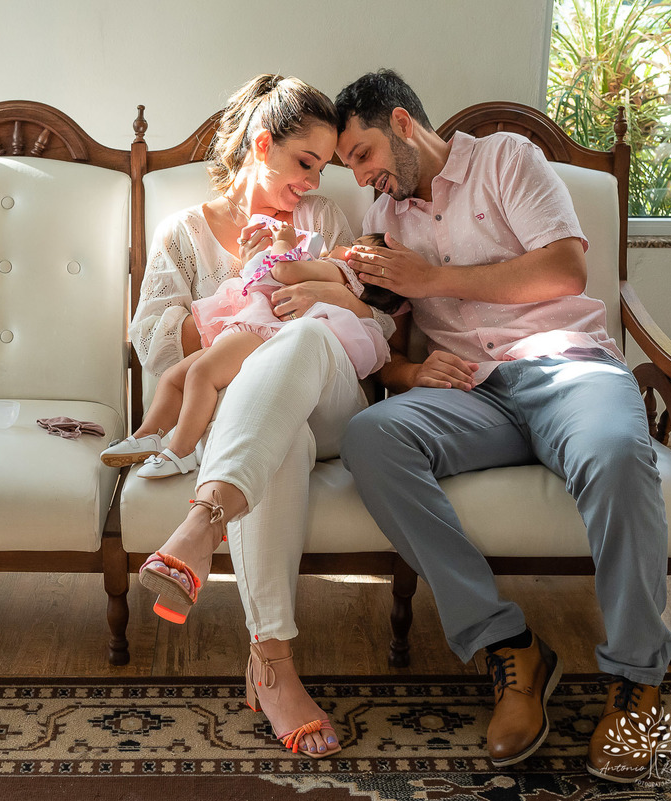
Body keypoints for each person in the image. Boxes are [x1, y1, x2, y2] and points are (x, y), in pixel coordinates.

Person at [335, 69, 671, 783]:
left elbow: (564, 270)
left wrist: (429, 281)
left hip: (566, 367)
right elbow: (380, 347)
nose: (363, 177)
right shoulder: (388, 223)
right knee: (371, 437)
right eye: (348, 167)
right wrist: (404, 369)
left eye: (362, 154)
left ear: (401, 123)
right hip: (475, 394)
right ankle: (510, 646)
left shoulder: (506, 158)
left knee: (616, 450)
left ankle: (638, 680)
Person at [128, 73, 392, 758]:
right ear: (261, 143)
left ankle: (201, 520)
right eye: (304, 163)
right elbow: (152, 340)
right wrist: (244, 290)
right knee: (282, 442)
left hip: (331, 397)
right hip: (259, 427)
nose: (313, 183)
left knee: (303, 337)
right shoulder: (184, 232)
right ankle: (271, 665)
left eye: (324, 168)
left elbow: (378, 325)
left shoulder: (327, 220)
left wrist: (312, 284)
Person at [104, 225, 398, 485]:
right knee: (175, 377)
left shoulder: (341, 271)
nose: (339, 247)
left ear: (360, 258)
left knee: (201, 374)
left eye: (353, 243)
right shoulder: (330, 268)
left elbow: (284, 271)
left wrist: (284, 241)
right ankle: (146, 437)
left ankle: (181, 451)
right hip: (253, 324)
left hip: (266, 334)